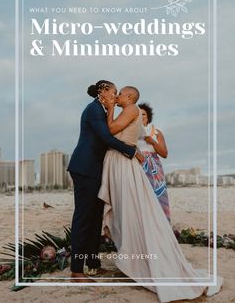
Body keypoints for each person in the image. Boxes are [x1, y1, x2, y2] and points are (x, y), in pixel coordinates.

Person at [98, 86, 223, 302]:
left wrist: (109, 108)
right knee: (132, 213)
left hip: (127, 166)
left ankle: (141, 261)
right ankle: (133, 259)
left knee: (138, 212)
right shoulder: (127, 112)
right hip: (123, 163)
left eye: (120, 94)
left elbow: (111, 131)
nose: (116, 96)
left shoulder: (130, 109)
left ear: (129, 97)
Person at [67, 80, 142, 282]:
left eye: (118, 93)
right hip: (85, 168)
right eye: (114, 91)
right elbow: (106, 137)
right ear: (102, 91)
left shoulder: (101, 110)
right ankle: (76, 271)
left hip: (97, 170)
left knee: (95, 219)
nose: (116, 96)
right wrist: (132, 151)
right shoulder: (93, 110)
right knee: (83, 219)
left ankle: (92, 265)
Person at [137, 103, 170, 222]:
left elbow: (164, 154)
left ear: (148, 115)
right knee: (141, 198)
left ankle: (161, 225)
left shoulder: (156, 132)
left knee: (158, 197)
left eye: (144, 114)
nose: (141, 116)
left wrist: (152, 141)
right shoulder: (131, 131)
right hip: (137, 166)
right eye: (138, 114)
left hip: (154, 167)